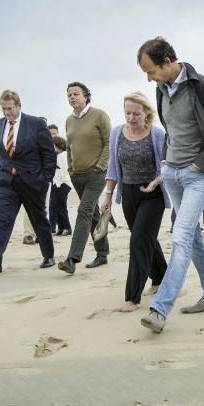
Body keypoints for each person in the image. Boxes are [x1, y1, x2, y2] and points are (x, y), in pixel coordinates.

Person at [136, 37, 204, 333]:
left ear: (168, 61)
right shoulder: (160, 90)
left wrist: (199, 165)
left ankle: (160, 309)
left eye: (151, 70)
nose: (149, 78)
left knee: (180, 236)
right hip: (173, 175)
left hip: (198, 176)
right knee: (192, 238)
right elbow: (172, 131)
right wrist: (167, 166)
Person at [0, 89, 57, 276]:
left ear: (19, 106)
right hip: (6, 183)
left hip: (33, 182)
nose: (7, 112)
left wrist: (45, 179)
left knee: (38, 220)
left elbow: (49, 155)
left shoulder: (36, 124)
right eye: (3, 109)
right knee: (1, 221)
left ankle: (48, 255)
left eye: (10, 108)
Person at [99, 92, 169, 312]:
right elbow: (113, 165)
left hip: (153, 193)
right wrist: (108, 194)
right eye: (127, 113)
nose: (131, 117)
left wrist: (155, 182)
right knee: (146, 239)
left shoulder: (158, 135)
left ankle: (132, 297)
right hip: (128, 193)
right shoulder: (117, 133)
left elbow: (168, 166)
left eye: (136, 113)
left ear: (146, 113)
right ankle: (161, 277)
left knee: (139, 240)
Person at [58, 82, 112, 274]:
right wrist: (71, 168)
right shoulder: (69, 120)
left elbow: (109, 143)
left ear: (86, 96)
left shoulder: (99, 115)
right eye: (69, 95)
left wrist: (100, 167)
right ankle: (102, 253)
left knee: (83, 212)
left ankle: (72, 259)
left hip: (96, 174)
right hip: (77, 175)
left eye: (76, 94)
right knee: (93, 214)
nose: (72, 97)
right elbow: (69, 146)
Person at [50, 136, 73, 236]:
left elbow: (63, 171)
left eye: (53, 145)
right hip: (58, 183)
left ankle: (67, 228)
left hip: (63, 183)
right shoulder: (58, 155)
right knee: (57, 206)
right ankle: (60, 228)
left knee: (61, 207)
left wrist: (57, 184)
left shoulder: (63, 155)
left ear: (58, 145)